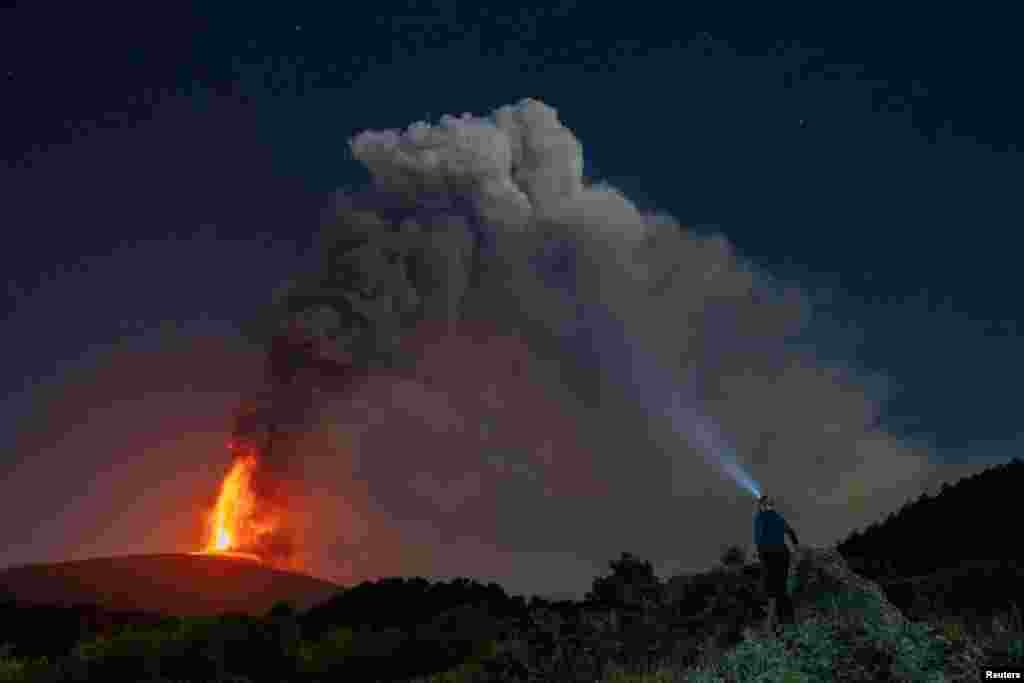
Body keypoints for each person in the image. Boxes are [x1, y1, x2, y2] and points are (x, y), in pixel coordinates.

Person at [755, 495, 800, 633]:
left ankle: (777, 623)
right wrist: (796, 546)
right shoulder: (778, 517)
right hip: (783, 553)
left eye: (760, 505)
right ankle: (788, 620)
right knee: (782, 586)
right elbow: (791, 532)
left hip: (770, 554)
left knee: (772, 589)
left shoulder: (760, 518)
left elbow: (758, 537)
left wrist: (761, 555)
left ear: (762, 506)